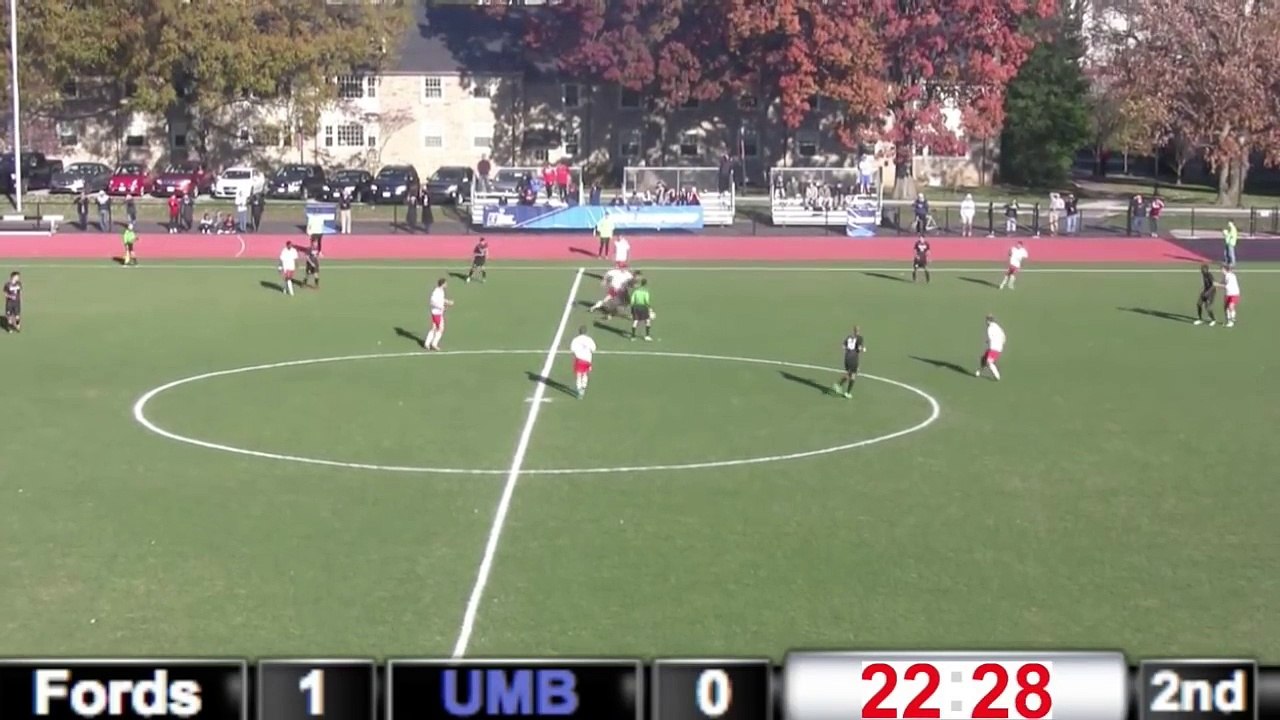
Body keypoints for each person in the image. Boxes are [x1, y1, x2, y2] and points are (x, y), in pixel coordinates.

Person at [831, 326, 866, 398]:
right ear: (858, 331)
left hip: (847, 357)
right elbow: (859, 349)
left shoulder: (849, 337)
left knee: (850, 373)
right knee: (852, 375)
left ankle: (842, 387)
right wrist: (863, 349)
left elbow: (843, 346)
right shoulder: (859, 338)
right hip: (853, 358)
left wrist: (848, 350)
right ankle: (842, 388)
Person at [424, 277, 453, 351]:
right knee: (440, 329)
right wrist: (442, 307)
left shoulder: (441, 291)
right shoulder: (436, 292)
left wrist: (447, 302)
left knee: (433, 328)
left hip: (436, 312)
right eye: (445, 283)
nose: (447, 285)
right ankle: (434, 344)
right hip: (437, 313)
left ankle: (427, 344)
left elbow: (441, 299)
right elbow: (432, 302)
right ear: (442, 284)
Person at [569, 326, 596, 399]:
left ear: (579, 332)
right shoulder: (589, 340)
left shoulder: (575, 340)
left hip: (579, 359)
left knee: (578, 375)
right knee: (585, 374)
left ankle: (579, 390)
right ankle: (583, 387)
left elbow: (572, 349)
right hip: (587, 360)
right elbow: (593, 349)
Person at [975, 314, 1006, 381]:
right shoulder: (998, 327)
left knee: (989, 362)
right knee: (984, 359)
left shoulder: (990, 328)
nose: (986, 322)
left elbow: (990, 338)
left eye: (986, 320)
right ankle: (979, 372)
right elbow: (1003, 336)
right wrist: (1002, 343)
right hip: (996, 347)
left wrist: (987, 341)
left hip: (994, 348)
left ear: (988, 321)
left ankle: (997, 376)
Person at [629, 277, 654, 341]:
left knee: (635, 321)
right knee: (647, 321)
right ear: (646, 284)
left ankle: (633, 337)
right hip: (643, 307)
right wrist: (650, 308)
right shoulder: (646, 291)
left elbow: (632, 300)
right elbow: (647, 301)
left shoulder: (636, 291)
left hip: (635, 307)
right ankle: (647, 336)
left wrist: (632, 308)